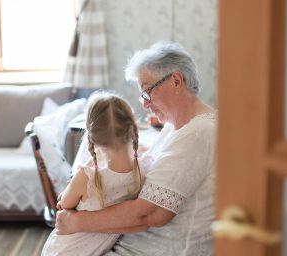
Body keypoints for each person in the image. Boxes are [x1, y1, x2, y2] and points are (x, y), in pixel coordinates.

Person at [55, 41, 217, 256]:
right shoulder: (175, 126)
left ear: (177, 81)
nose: (144, 104)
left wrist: (75, 222)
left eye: (147, 92)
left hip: (160, 249)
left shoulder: (199, 132)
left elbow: (149, 214)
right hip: (134, 242)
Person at [42, 92, 143, 256]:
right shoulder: (142, 170)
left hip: (63, 250)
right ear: (134, 129)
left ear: (92, 137)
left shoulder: (86, 177)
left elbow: (63, 204)